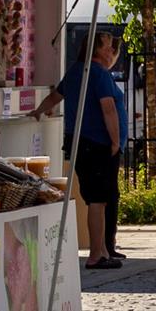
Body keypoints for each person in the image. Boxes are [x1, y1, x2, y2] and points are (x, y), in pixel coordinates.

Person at [32, 30, 127, 269]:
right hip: (97, 144)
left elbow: (56, 96)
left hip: (80, 143)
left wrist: (39, 110)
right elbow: (108, 109)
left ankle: (104, 250)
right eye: (107, 46)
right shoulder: (97, 74)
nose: (111, 51)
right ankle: (96, 254)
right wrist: (115, 141)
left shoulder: (76, 71)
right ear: (96, 49)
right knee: (98, 199)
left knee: (100, 198)